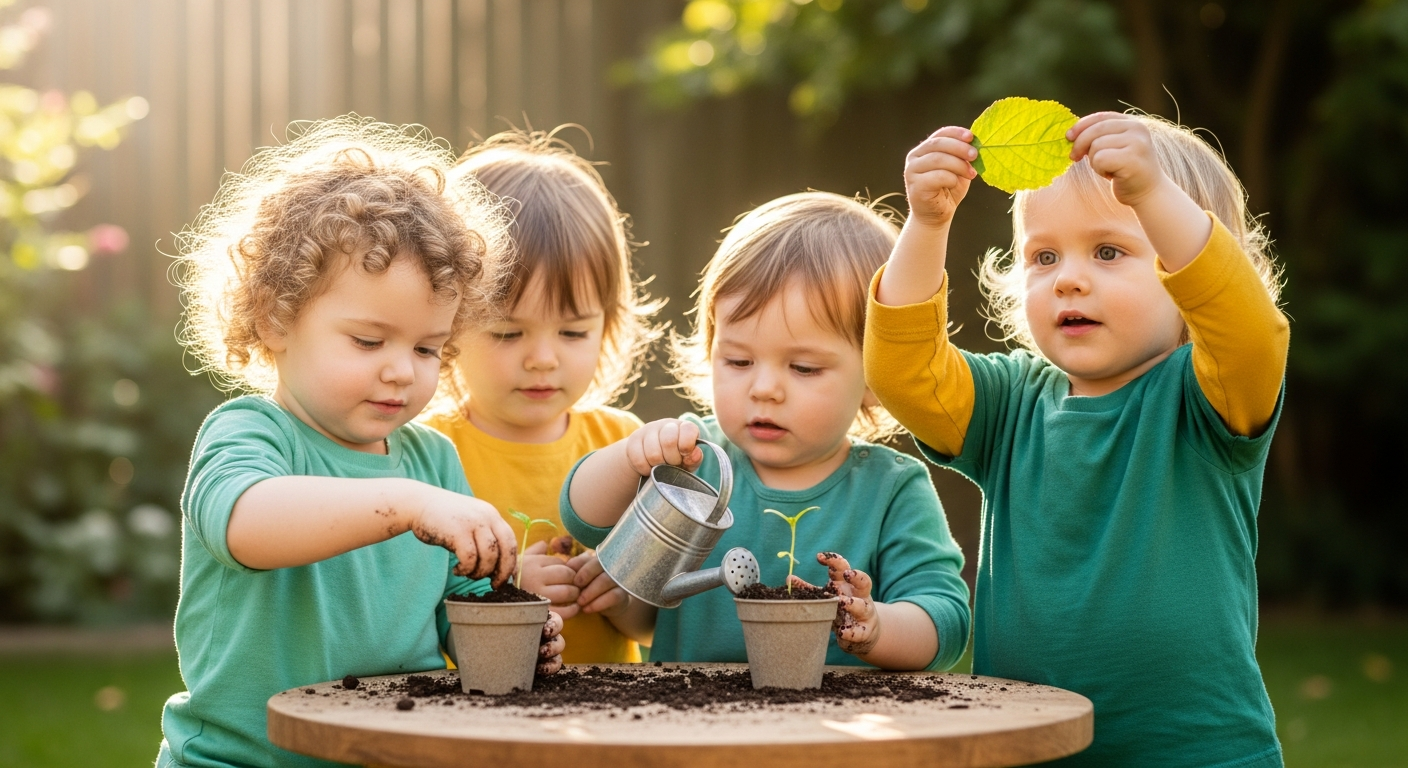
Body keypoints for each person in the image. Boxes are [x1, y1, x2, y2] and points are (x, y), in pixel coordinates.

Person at [866, 112, 1288, 766]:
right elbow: (905, 373)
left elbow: (1248, 329)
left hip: (1199, 752)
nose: (1068, 277)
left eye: (1109, 251)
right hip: (1027, 750)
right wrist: (927, 224)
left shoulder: (1206, 398)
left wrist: (1149, 192)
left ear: (1190, 277)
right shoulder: (1009, 404)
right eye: (1043, 255)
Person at [159, 116, 564, 768]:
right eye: (369, 341)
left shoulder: (432, 461)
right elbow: (248, 524)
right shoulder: (251, 433)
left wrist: (518, 634)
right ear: (276, 318)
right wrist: (406, 505)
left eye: (429, 348)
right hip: (242, 760)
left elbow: (464, 606)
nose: (402, 369)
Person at [562, 192, 970, 671]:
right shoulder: (697, 461)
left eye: (803, 367)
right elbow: (583, 519)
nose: (764, 389)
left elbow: (946, 619)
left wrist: (878, 627)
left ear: (877, 376)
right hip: (688, 725)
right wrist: (631, 459)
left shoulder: (891, 489)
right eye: (738, 361)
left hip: (833, 734)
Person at [423, 128, 662, 662]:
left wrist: (623, 594)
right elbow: (408, 611)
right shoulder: (428, 455)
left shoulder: (625, 446)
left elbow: (655, 627)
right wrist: (506, 590)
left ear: (608, 323)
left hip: (611, 724)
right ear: (449, 322)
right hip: (472, 722)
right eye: (509, 333)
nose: (543, 358)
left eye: (573, 332)